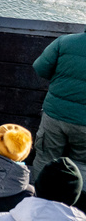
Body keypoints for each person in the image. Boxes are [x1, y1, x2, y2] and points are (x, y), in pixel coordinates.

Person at [31, 29, 86, 182]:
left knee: (45, 158)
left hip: (55, 116)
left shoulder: (64, 42)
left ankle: (40, 200)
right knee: (82, 165)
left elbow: (40, 68)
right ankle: (77, 202)